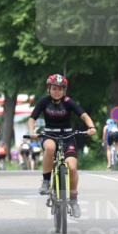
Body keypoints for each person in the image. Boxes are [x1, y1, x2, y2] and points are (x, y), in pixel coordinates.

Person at [28, 74, 97, 218]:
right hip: (49, 135)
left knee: (72, 167)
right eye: (54, 88)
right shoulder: (44, 101)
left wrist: (91, 127)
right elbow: (32, 119)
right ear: (49, 88)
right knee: (50, 148)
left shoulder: (68, 102)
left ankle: (73, 199)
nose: (57, 91)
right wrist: (31, 132)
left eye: (60, 89)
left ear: (64, 90)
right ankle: (46, 181)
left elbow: (84, 115)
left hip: (67, 136)